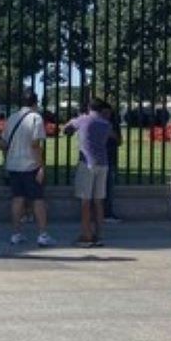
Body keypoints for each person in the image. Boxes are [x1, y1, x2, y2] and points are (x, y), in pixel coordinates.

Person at [2, 88, 55, 247]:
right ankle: (42, 234)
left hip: (13, 164)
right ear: (35, 102)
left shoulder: (12, 117)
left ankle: (16, 233)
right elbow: (35, 144)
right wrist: (41, 166)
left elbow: (4, 143)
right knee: (37, 199)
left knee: (17, 198)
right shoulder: (35, 118)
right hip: (30, 164)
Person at [63, 98, 112, 247]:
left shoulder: (83, 120)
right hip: (103, 163)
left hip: (87, 163)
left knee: (85, 201)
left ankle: (86, 235)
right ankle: (99, 234)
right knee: (98, 202)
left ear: (89, 107)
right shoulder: (106, 124)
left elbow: (66, 129)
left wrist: (72, 121)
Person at [103, 101, 123, 222]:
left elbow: (120, 141)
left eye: (108, 112)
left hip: (110, 159)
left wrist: (112, 134)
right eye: (104, 112)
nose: (107, 115)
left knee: (109, 189)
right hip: (98, 160)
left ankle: (108, 213)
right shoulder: (97, 124)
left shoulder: (113, 125)